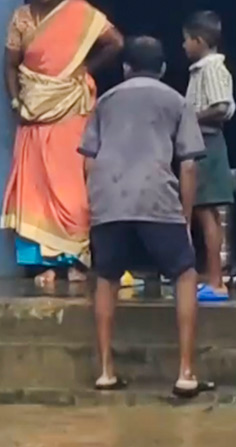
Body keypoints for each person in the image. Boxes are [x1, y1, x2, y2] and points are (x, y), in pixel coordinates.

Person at [79, 36, 212, 398]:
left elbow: (88, 159)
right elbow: (188, 165)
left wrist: (96, 202)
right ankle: (186, 371)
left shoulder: (105, 101)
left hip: (109, 196)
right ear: (164, 69)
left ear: (125, 68)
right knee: (184, 273)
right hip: (155, 193)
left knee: (105, 277)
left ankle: (106, 370)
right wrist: (183, 218)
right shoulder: (176, 100)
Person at [0, 0, 123, 285]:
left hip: (69, 109)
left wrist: (84, 71)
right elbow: (10, 64)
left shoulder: (78, 12)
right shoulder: (21, 19)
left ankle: (75, 261)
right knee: (35, 186)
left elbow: (115, 43)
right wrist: (15, 101)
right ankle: (43, 264)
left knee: (71, 188)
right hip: (33, 114)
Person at [183, 10, 236, 302]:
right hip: (202, 144)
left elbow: (220, 108)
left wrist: (190, 118)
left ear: (199, 41)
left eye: (186, 40)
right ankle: (212, 276)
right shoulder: (202, 70)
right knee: (205, 214)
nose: (183, 46)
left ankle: (216, 281)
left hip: (208, 144)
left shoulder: (212, 69)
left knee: (207, 215)